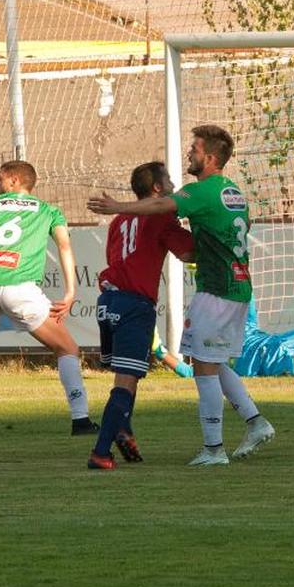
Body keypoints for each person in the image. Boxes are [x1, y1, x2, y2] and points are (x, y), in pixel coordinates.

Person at [88, 125, 274, 467]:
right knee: (210, 361)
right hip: (233, 285)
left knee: (201, 366)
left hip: (209, 290)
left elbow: (162, 207)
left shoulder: (199, 192)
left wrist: (118, 205)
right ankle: (255, 422)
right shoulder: (232, 191)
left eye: (195, 148)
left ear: (211, 158)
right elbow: (190, 247)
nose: (189, 153)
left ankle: (214, 449)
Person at [0, 160, 96, 437]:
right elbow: (64, 246)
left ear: (15, 180)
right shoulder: (49, 210)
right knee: (67, 349)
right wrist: (70, 291)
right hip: (22, 289)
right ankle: (81, 420)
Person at [88, 162, 196, 470]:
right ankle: (100, 452)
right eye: (170, 182)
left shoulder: (119, 220)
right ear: (158, 189)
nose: (174, 187)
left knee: (126, 375)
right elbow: (189, 253)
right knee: (126, 381)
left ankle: (123, 429)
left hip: (108, 300)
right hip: (134, 304)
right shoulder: (161, 215)